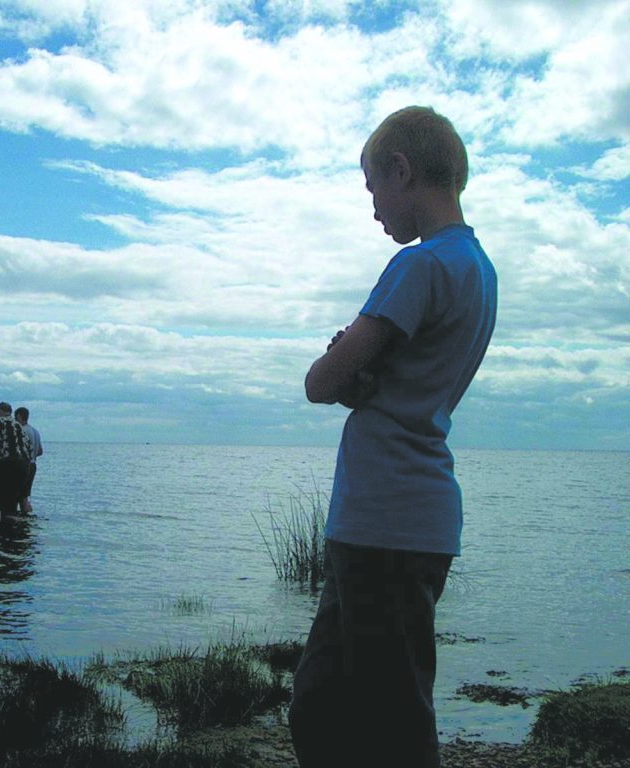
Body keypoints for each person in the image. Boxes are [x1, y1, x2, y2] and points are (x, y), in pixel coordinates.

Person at [287, 106, 497, 768]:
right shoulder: (476, 268)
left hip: (388, 519)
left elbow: (321, 382)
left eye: (374, 188)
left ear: (401, 171)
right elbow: (391, 376)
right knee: (321, 703)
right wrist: (358, 371)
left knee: (393, 721)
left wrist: (345, 363)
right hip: (396, 518)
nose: (375, 208)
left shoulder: (420, 265)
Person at [0, 401, 32, 517]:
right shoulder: (19, 426)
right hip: (24, 466)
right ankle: (12, 523)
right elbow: (29, 446)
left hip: (7, 462)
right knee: (13, 498)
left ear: (0, 411)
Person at [14, 406, 43, 514]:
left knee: (20, 495)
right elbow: (40, 451)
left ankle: (23, 516)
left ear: (18, 416)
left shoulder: (21, 430)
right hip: (33, 464)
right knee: (25, 495)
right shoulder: (35, 431)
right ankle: (26, 517)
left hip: (24, 465)